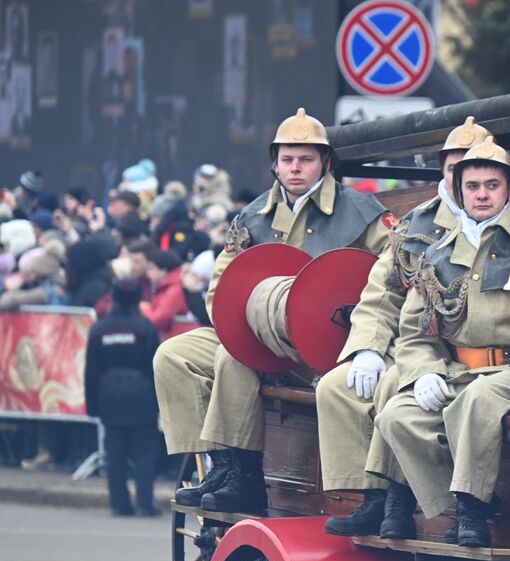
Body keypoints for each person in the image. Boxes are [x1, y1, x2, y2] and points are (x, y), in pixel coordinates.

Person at [155, 107, 391, 516]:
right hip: (256, 333)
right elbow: (220, 288)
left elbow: (391, 275)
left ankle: (244, 477)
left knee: (234, 357)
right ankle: (220, 466)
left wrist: (364, 340)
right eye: (287, 159)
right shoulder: (253, 214)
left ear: (326, 162)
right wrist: (245, 325)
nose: (295, 168)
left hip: (323, 344)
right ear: (275, 164)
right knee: (172, 355)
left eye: (306, 159)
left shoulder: (364, 212)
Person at [376, 137, 510, 548]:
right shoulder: (437, 251)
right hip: (461, 369)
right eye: (472, 186)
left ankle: (472, 507)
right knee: (396, 417)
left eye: (492, 185)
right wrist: (424, 373)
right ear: (459, 191)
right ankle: (459, 507)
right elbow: (415, 332)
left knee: (478, 400)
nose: (482, 194)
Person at [319, 118, 490, 540]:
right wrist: (367, 349)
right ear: (443, 171)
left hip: (457, 353)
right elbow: (381, 294)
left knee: (395, 385)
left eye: (473, 166)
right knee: (336, 386)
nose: (463, 176)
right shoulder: (416, 225)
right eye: (453, 166)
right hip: (412, 343)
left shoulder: (504, 221)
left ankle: (397, 498)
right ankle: (368, 496)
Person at [84, 278, 161, 516]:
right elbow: (155, 367)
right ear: (139, 299)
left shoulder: (100, 328)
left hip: (109, 394)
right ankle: (144, 504)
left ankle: (119, 504)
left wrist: (92, 405)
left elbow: (92, 370)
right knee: (144, 452)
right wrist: (159, 402)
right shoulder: (145, 328)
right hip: (141, 394)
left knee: (114, 452)